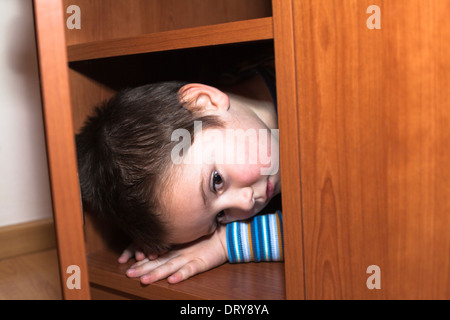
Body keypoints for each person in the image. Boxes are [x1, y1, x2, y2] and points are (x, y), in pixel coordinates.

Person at [76, 58, 283, 285]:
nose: (245, 204)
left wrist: (226, 244)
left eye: (217, 181)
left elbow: (324, 227)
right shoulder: (222, 129)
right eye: (219, 218)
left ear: (203, 101)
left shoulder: (308, 84)